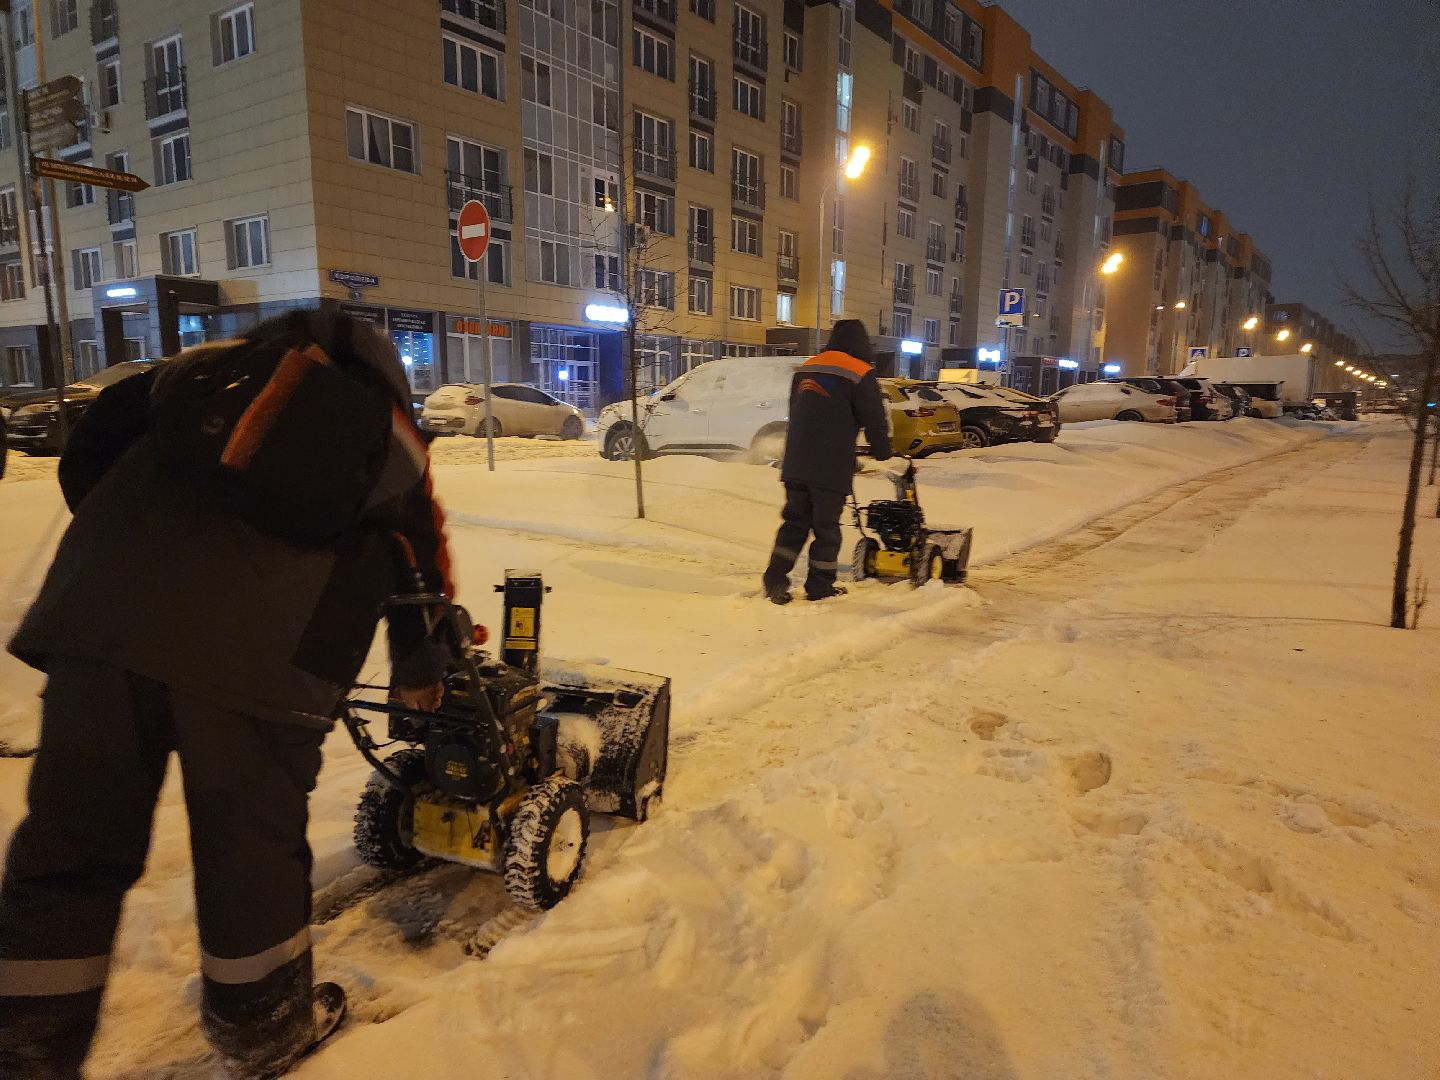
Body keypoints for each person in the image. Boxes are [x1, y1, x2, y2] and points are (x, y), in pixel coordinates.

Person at [0, 311, 453, 1078]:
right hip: (260, 668)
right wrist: (421, 671)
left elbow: (87, 457)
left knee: (69, 845)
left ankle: (26, 1045)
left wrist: (143, 556)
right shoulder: (387, 436)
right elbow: (421, 570)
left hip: (98, 628)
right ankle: (264, 1029)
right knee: (247, 849)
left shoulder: (186, 380)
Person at [763, 319, 893, 604]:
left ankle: (774, 580)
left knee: (794, 525)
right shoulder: (860, 372)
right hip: (830, 466)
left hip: (796, 463)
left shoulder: (808, 367)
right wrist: (883, 451)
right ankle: (819, 587)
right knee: (826, 529)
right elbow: (874, 418)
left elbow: (796, 412)